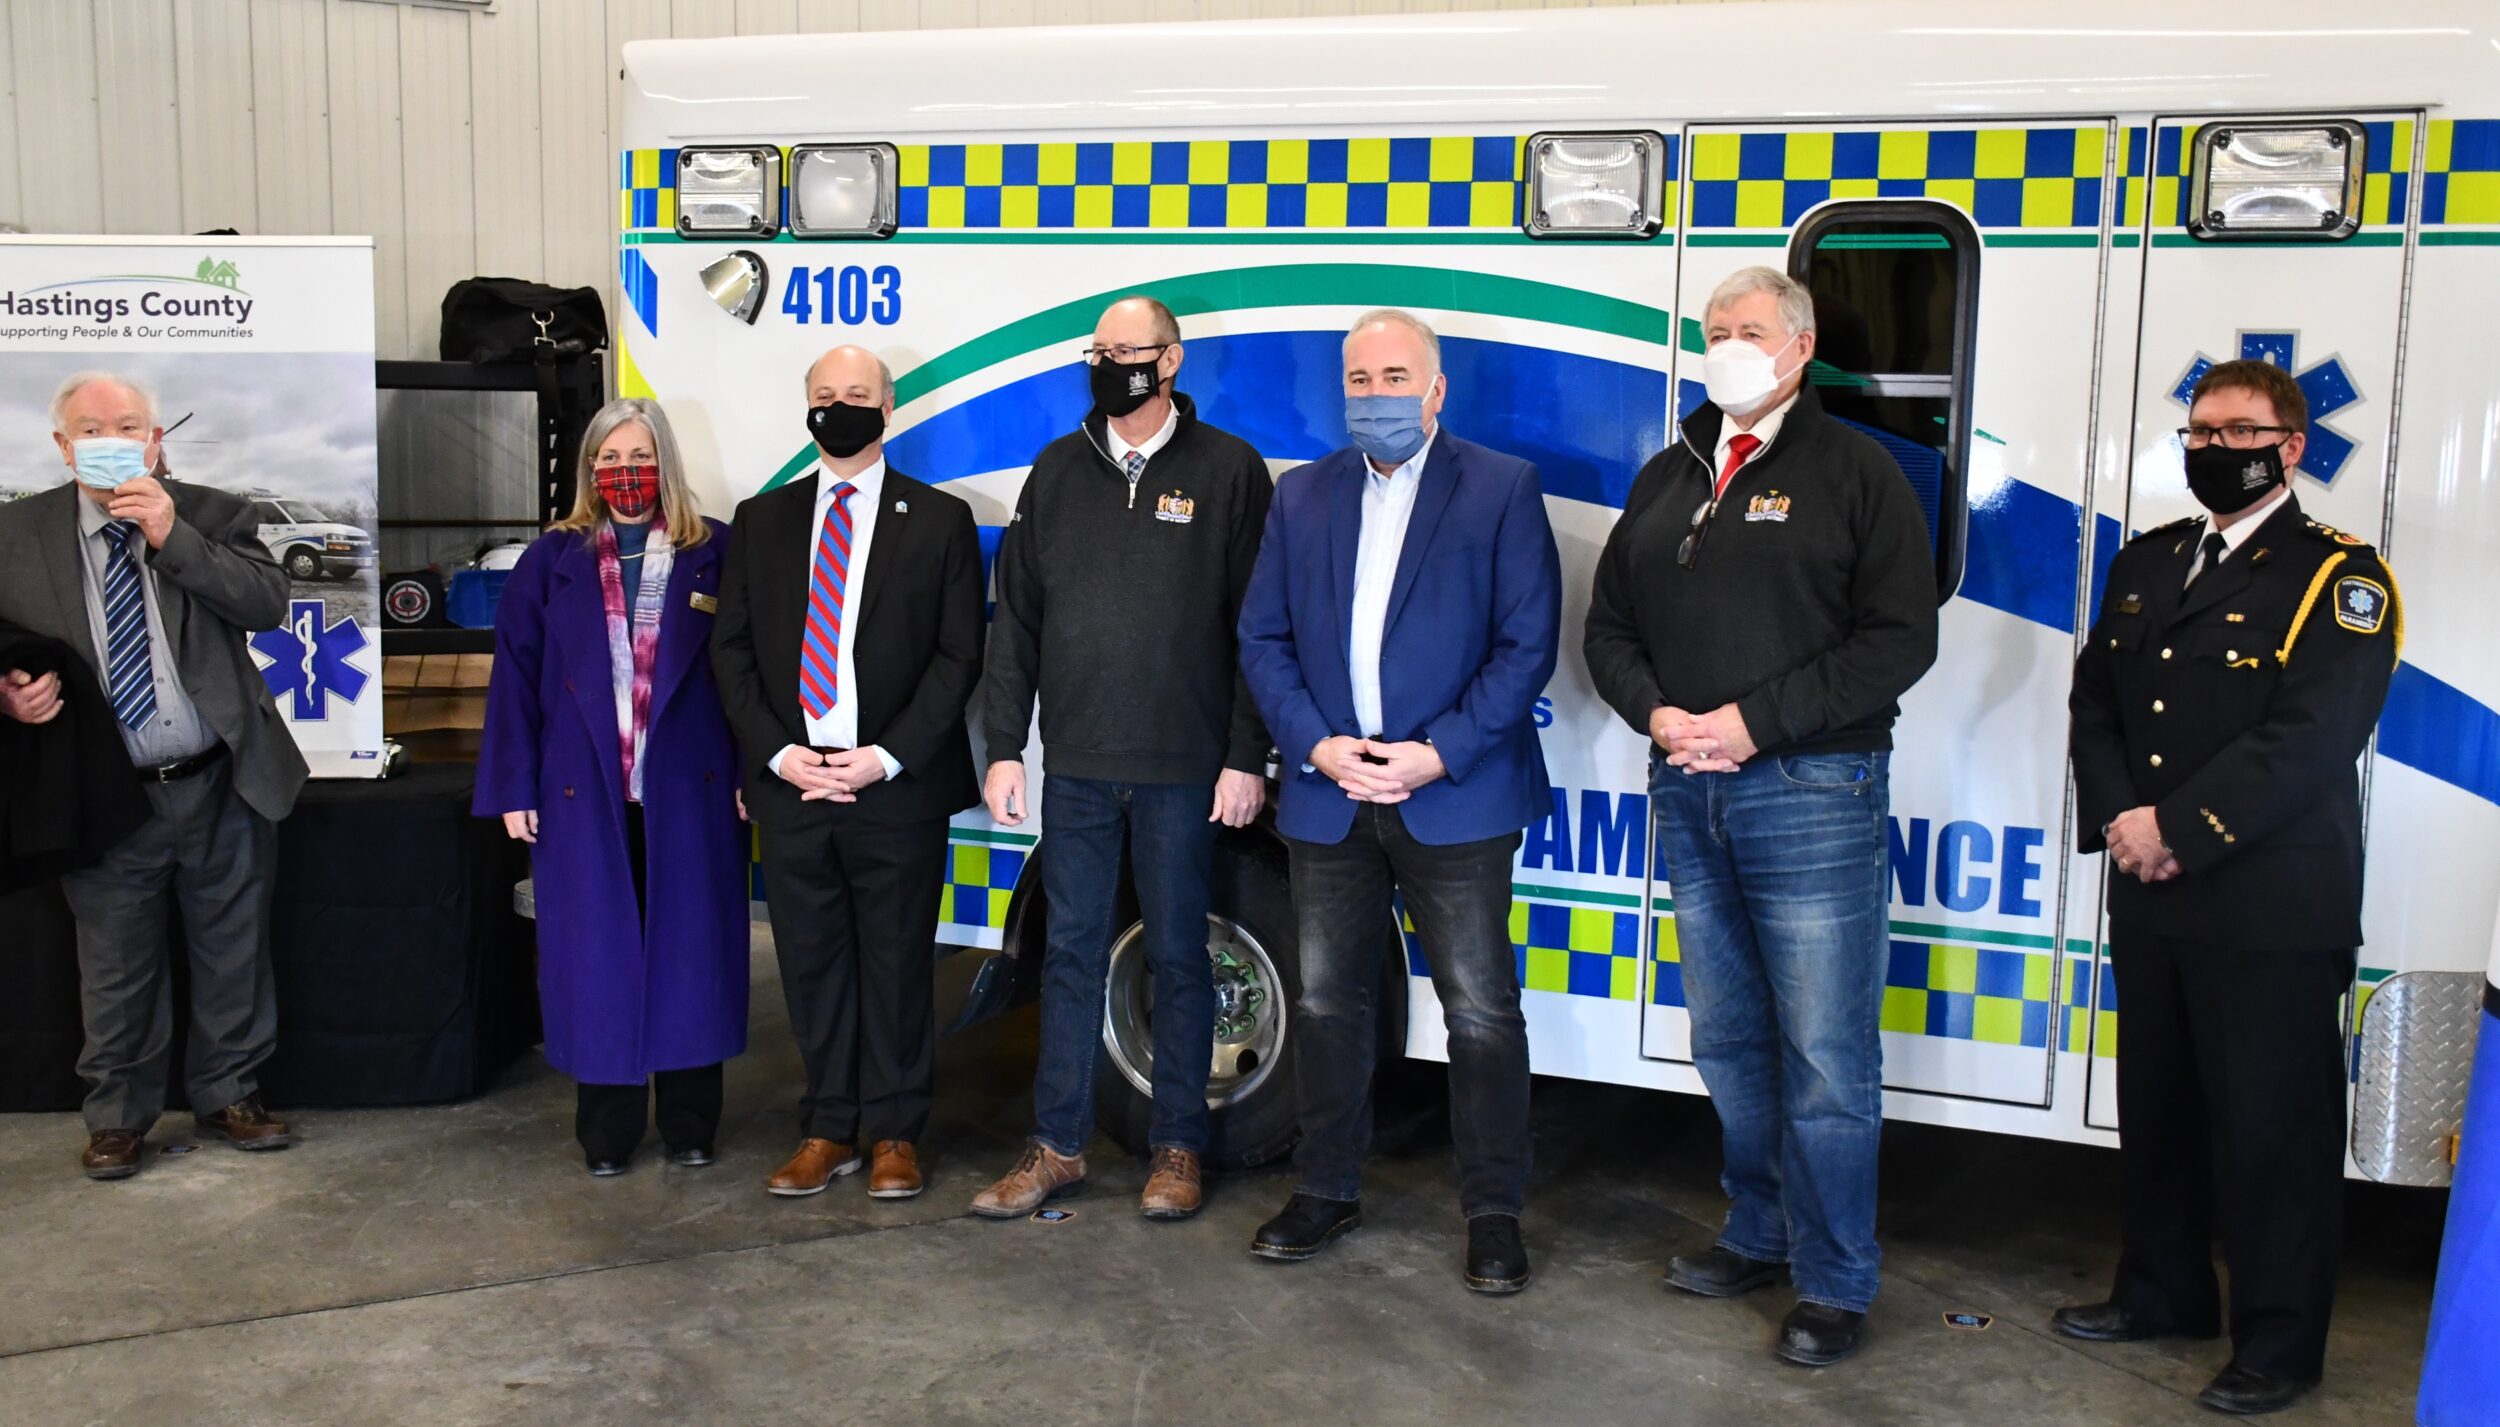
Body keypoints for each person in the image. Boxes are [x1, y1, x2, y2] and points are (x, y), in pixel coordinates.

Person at [1583, 266, 1939, 1366]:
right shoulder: (1669, 472)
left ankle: (1834, 1280)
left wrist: (1752, 722)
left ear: (1799, 343)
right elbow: (1607, 627)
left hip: (1811, 792)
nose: (1729, 345)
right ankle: (1759, 1225)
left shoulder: (1857, 472)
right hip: (1686, 789)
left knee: (1826, 1055)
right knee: (1729, 1035)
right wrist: (1657, 711)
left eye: (1749, 329)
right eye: (1714, 330)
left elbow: (1898, 638)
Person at [2059, 358, 2397, 1417]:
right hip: (2152, 887)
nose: (2212, 448)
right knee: (2157, 1108)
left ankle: (2279, 1341)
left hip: (2267, 900)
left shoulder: (2340, 576)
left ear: (2288, 447)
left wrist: (2177, 829)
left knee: (2272, 1130)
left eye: (2236, 431)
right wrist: (2124, 821)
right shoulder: (2150, 560)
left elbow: (2311, 737)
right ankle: (2160, 1292)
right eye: (2198, 431)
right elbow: (2097, 699)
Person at [1236, 309, 1560, 1293]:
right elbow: (1263, 639)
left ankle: (1494, 1211)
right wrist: (1316, 743)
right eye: (1358, 378)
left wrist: (1433, 753)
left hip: (1449, 796)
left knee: (1480, 1012)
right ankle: (1326, 1186)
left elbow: (1525, 644)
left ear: (1434, 390)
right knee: (1330, 1002)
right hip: (1332, 797)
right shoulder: (1302, 496)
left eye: (1392, 376)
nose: (1373, 394)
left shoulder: (1501, 488)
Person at [969, 295, 1274, 1223]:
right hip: (1080, 765)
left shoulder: (1229, 471)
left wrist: (1243, 754)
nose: (1109, 365)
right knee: (1068, 954)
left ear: (1171, 359)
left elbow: (1258, 627)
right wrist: (1004, 746)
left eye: (1128, 350)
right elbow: (1016, 619)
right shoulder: (1057, 471)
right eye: (1098, 351)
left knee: (1181, 955)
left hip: (1186, 768)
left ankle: (1177, 1145)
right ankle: (1056, 1146)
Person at [0, 371, 308, 1180]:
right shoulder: (15, 534)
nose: (113, 438)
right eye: (93, 428)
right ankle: (118, 1117)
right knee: (115, 966)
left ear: (156, 438)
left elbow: (267, 602)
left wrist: (176, 536)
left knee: (234, 949)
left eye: (129, 424)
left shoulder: (211, 512)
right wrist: (7, 689)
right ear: (64, 447)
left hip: (221, 777)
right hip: (105, 795)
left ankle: (231, 1094)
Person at [713, 345, 984, 1202]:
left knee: (900, 962)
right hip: (793, 787)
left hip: (895, 786)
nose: (841, 407)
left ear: (888, 407)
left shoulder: (940, 520)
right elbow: (733, 653)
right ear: (807, 407)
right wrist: (781, 755)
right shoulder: (761, 520)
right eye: (825, 395)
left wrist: (884, 755)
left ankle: (897, 1130)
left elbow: (958, 655)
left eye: (857, 394)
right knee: (811, 961)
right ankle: (829, 1126)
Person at [474, 398, 750, 1176]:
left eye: (641, 457)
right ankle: (608, 1130)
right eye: (610, 458)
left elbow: (744, 676)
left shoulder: (716, 552)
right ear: (589, 469)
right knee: (595, 960)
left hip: (690, 792)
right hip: (580, 794)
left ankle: (693, 1121)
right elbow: (516, 682)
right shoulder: (550, 560)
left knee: (691, 956)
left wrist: (746, 775)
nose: (626, 473)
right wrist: (513, 787)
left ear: (666, 462)